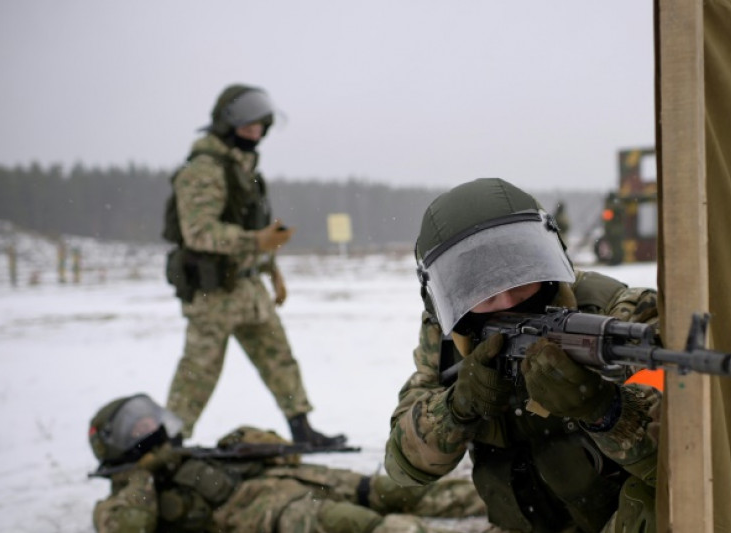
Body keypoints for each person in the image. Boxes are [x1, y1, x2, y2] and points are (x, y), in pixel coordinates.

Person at [384, 178, 661, 533]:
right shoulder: (450, 338)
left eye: (519, 279)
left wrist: (604, 410)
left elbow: (684, 452)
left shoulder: (619, 315)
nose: (508, 302)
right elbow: (403, 465)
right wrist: (458, 405)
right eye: (481, 292)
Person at [163, 83, 344, 448]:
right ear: (227, 124)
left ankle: (302, 428)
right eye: (248, 125)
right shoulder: (204, 169)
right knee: (198, 373)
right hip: (213, 292)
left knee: (279, 360)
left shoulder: (244, 169)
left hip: (248, 287)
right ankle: (171, 442)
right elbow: (198, 232)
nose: (256, 133)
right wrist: (255, 242)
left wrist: (272, 271)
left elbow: (257, 229)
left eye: (261, 126)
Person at [89, 393, 487, 532]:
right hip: (266, 512)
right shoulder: (124, 495)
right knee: (354, 523)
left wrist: (248, 441)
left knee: (394, 490)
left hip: (296, 478)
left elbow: (285, 450)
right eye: (136, 427)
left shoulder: (195, 453)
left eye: (148, 419)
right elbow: (129, 527)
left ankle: (504, 505)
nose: (149, 428)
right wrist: (140, 477)